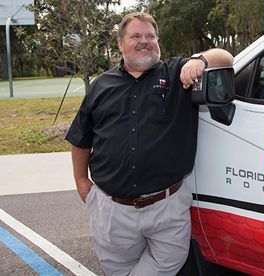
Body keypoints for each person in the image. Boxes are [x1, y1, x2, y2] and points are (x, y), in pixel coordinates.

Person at [65, 12, 234, 275]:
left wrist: (199, 60)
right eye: (136, 36)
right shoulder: (101, 86)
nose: (144, 41)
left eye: (150, 36)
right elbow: (81, 137)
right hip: (112, 210)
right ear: (120, 44)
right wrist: (80, 181)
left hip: (166, 207)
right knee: (118, 269)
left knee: (167, 263)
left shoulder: (178, 73)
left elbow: (225, 56)